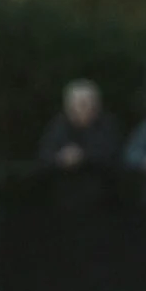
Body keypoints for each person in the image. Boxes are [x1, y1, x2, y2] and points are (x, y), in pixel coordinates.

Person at [37, 79, 122, 210]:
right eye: (77, 103)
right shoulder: (57, 125)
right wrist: (61, 158)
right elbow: (44, 155)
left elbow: (113, 155)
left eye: (87, 103)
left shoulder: (108, 125)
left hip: (102, 199)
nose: (82, 108)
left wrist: (82, 157)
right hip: (62, 199)